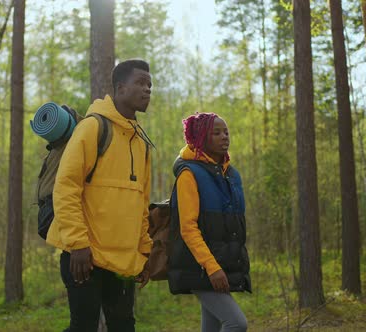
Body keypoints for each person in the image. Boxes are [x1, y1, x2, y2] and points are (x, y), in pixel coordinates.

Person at [46, 59, 154, 332]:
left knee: (123, 326)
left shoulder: (142, 143)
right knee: (83, 327)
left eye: (150, 85)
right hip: (85, 257)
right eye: (140, 83)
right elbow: (66, 187)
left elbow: (140, 203)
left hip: (122, 261)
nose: (147, 89)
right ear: (120, 88)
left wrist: (143, 250)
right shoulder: (93, 127)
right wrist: (77, 244)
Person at [168, 112, 251, 332]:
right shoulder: (189, 174)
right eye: (217, 133)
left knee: (212, 327)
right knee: (236, 323)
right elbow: (188, 228)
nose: (224, 136)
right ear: (202, 137)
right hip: (199, 266)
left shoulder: (231, 175)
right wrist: (212, 268)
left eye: (226, 132)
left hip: (219, 266)